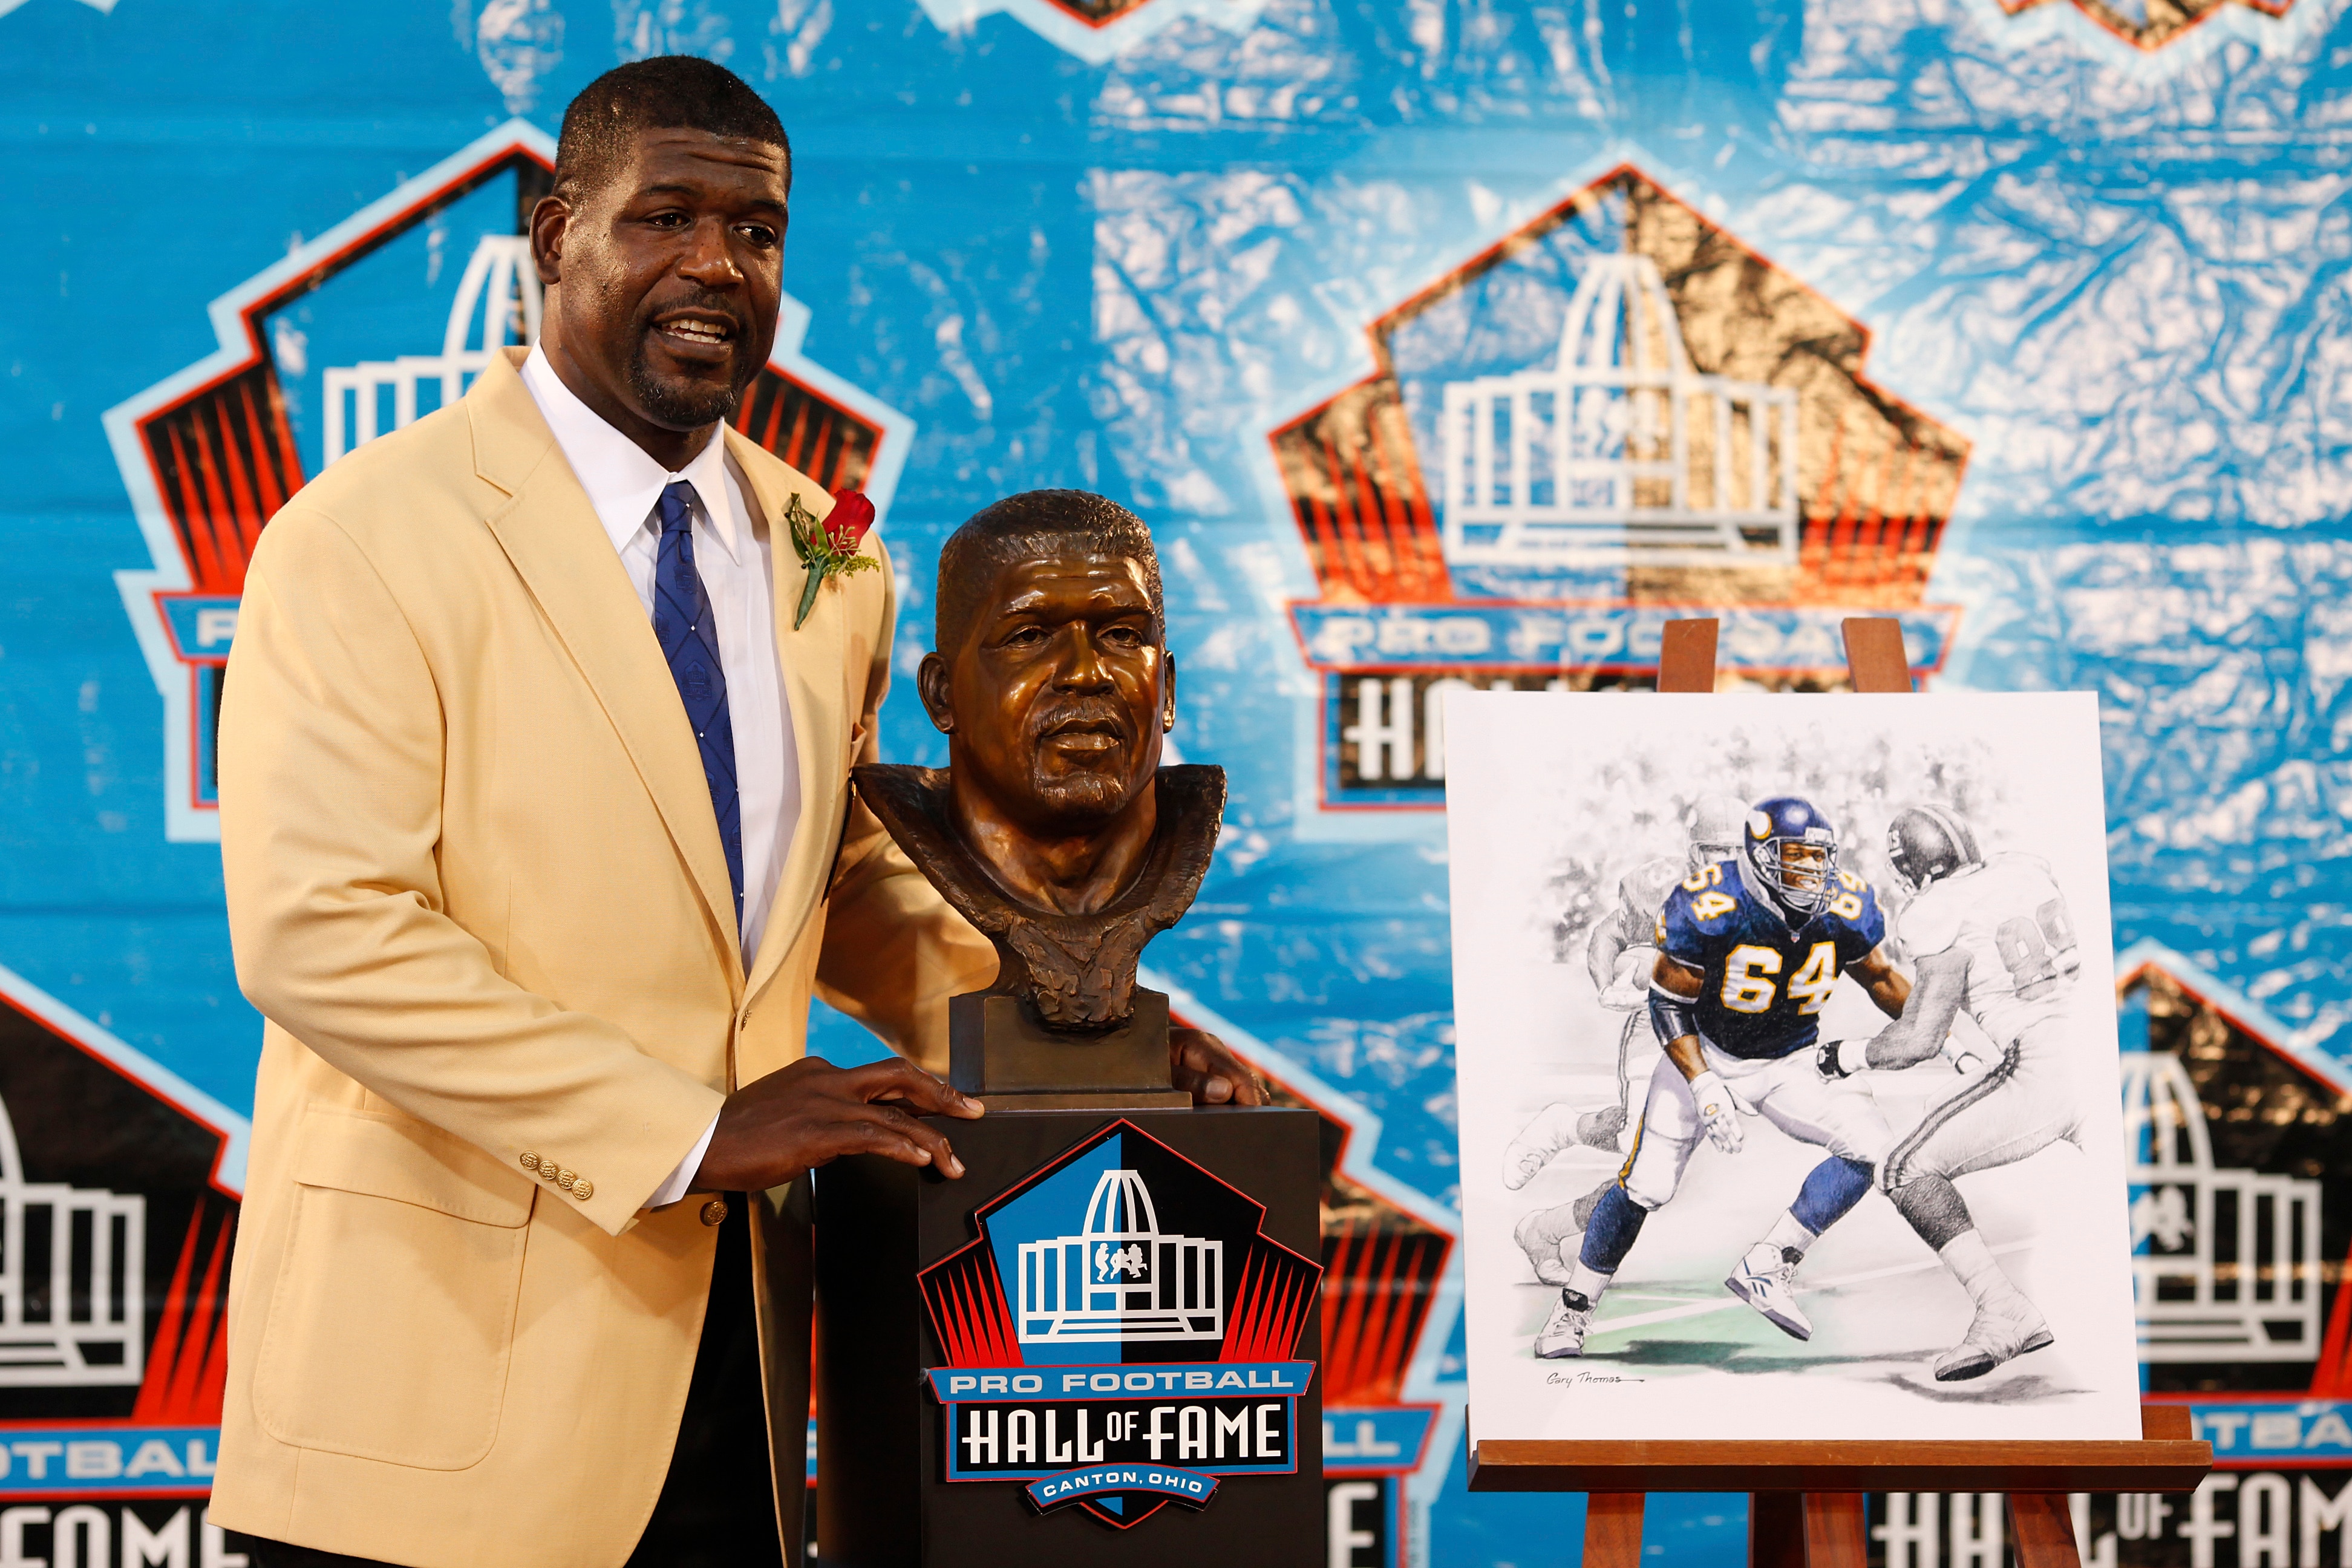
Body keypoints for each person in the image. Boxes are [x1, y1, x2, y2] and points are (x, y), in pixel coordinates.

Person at [210, 56, 1256, 1568]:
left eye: (756, 231)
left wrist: (1087, 1047)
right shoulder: (364, 536)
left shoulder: (825, 552)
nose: (717, 265)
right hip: (439, 1397)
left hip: (742, 1381)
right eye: (666, 218)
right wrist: (688, 1131)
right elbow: (322, 933)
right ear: (556, 232)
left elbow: (844, 879)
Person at [1535, 797, 1912, 1359]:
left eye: (1819, 858)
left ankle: (1771, 1261)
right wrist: (1705, 1085)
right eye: (1795, 857)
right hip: (1704, 1050)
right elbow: (1668, 1004)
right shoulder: (1709, 902)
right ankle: (1573, 1310)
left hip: (1789, 1059)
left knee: (1876, 1150)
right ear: (1759, 857)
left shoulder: (1843, 903)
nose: (1811, 871)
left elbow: (1881, 979)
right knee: (1646, 1187)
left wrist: (1942, 1031)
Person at [1815, 803, 2081, 1380]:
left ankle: (2004, 1309)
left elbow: (1918, 1039)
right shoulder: (2025, 867)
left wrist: (1842, 1056)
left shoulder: (1938, 910)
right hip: (2098, 1051)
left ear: (1913, 867)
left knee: (1902, 1167)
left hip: (2046, 1067)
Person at [1503, 795, 1746, 1285]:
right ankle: (1564, 1128)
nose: (1725, 861)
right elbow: (1608, 934)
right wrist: (1607, 985)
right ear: (1694, 851)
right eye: (1715, 849)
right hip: (1658, 1029)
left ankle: (1544, 1230)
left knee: (1657, 1179)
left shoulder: (1767, 894)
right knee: (1637, 1148)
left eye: (1735, 851)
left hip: (1718, 1036)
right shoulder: (1663, 887)